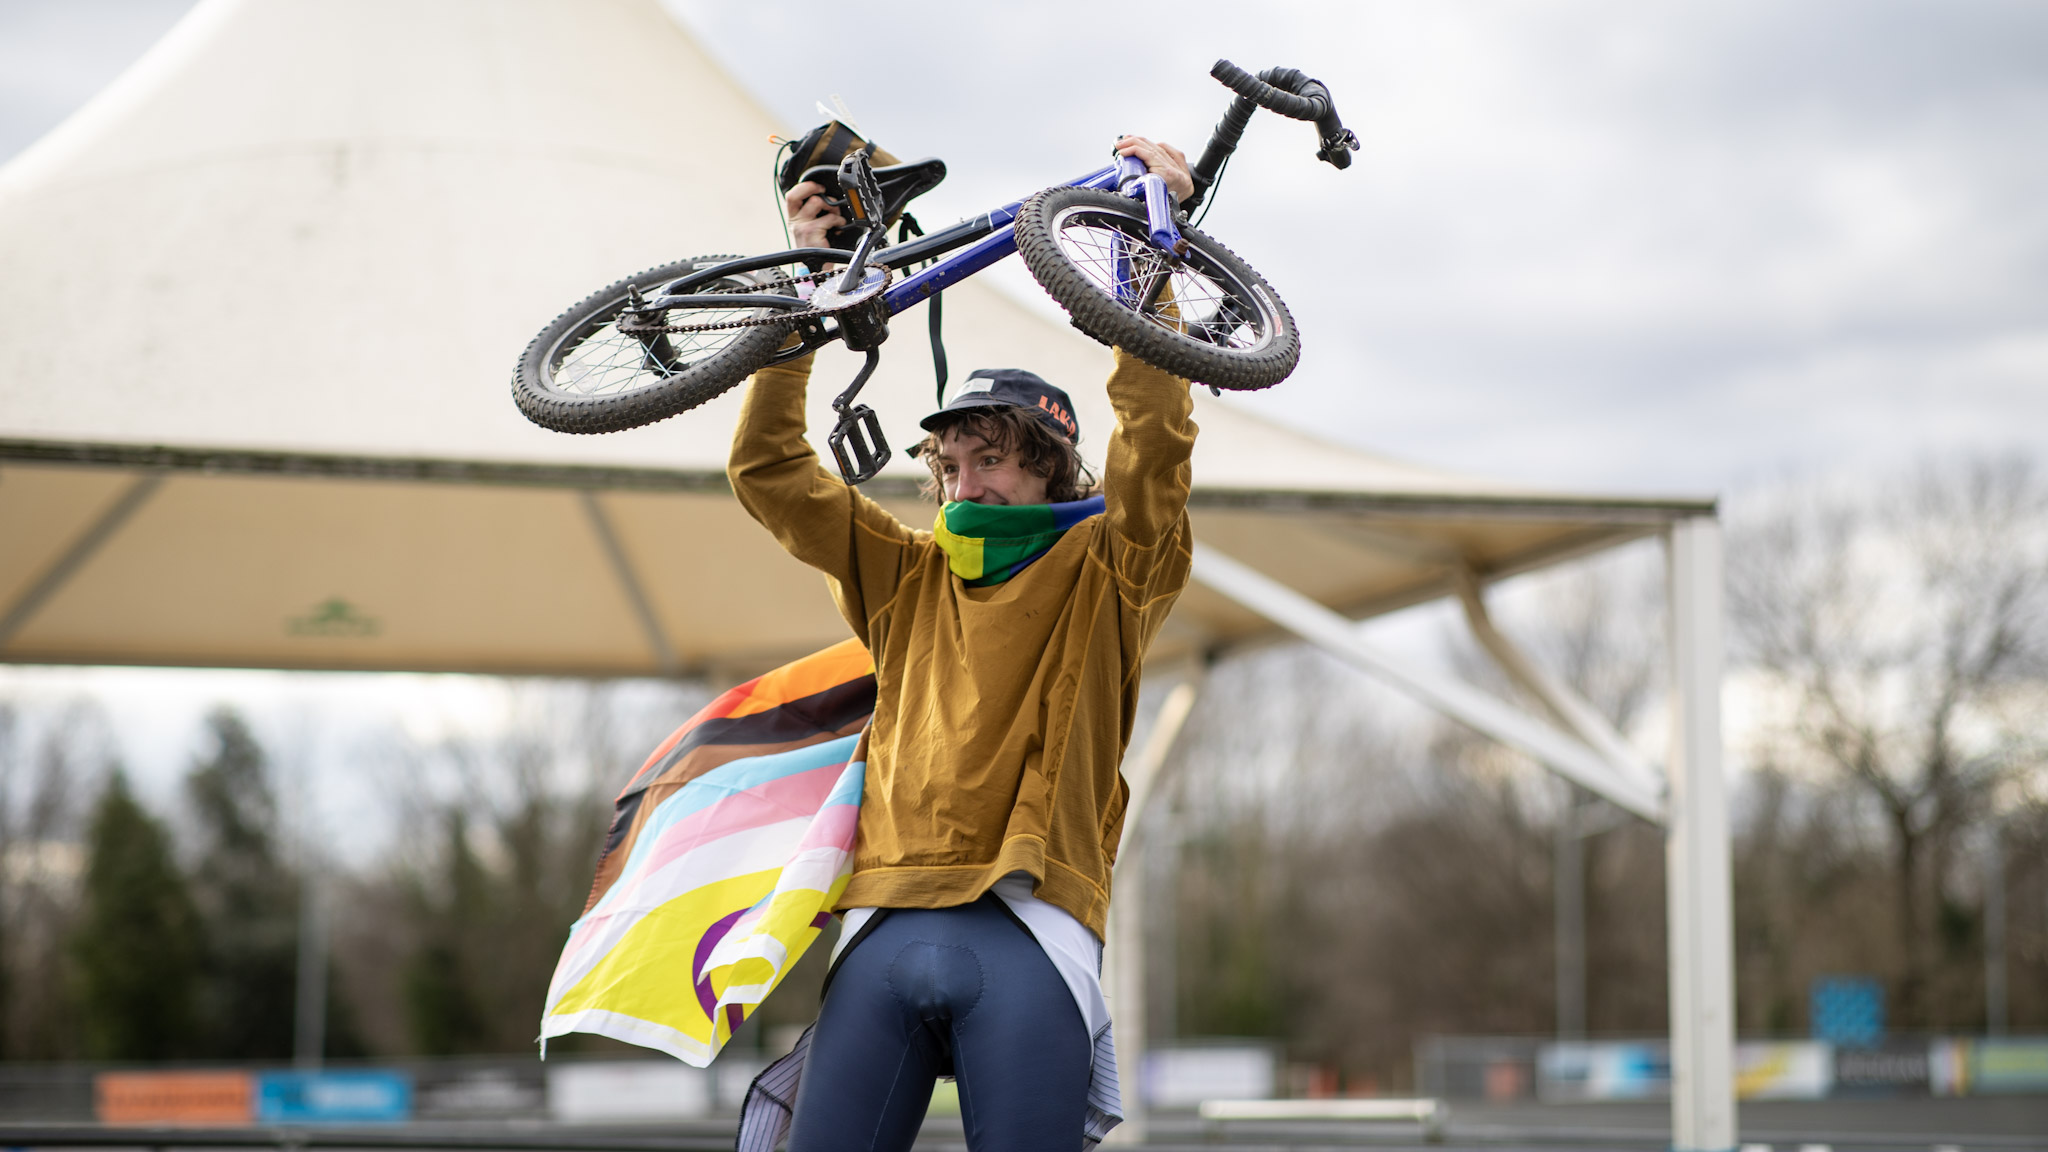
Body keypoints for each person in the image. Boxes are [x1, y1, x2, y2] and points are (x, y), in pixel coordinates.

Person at [728, 135, 1197, 1152]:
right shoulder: (904, 575)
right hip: (881, 926)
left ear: (1051, 471)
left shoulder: (1112, 571)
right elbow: (768, 470)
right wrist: (807, 290)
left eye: (992, 459)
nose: (966, 483)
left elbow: (1155, 442)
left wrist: (1147, 266)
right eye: (949, 463)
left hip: (1031, 928)